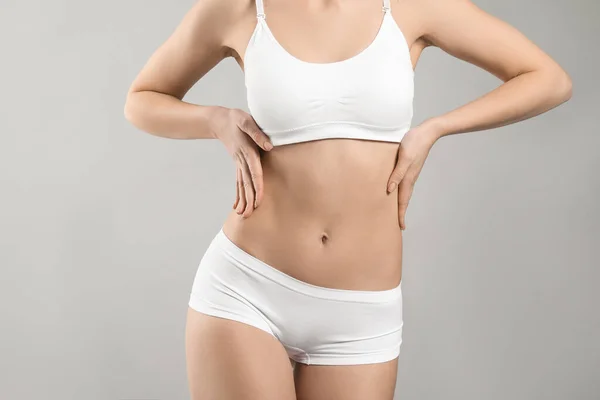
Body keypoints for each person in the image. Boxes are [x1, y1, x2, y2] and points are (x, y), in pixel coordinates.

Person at [123, 0, 572, 398]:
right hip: (247, 289)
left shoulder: (414, 6)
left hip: (360, 313)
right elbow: (141, 99)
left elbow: (548, 79)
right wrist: (215, 119)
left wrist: (436, 128)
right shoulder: (241, 8)